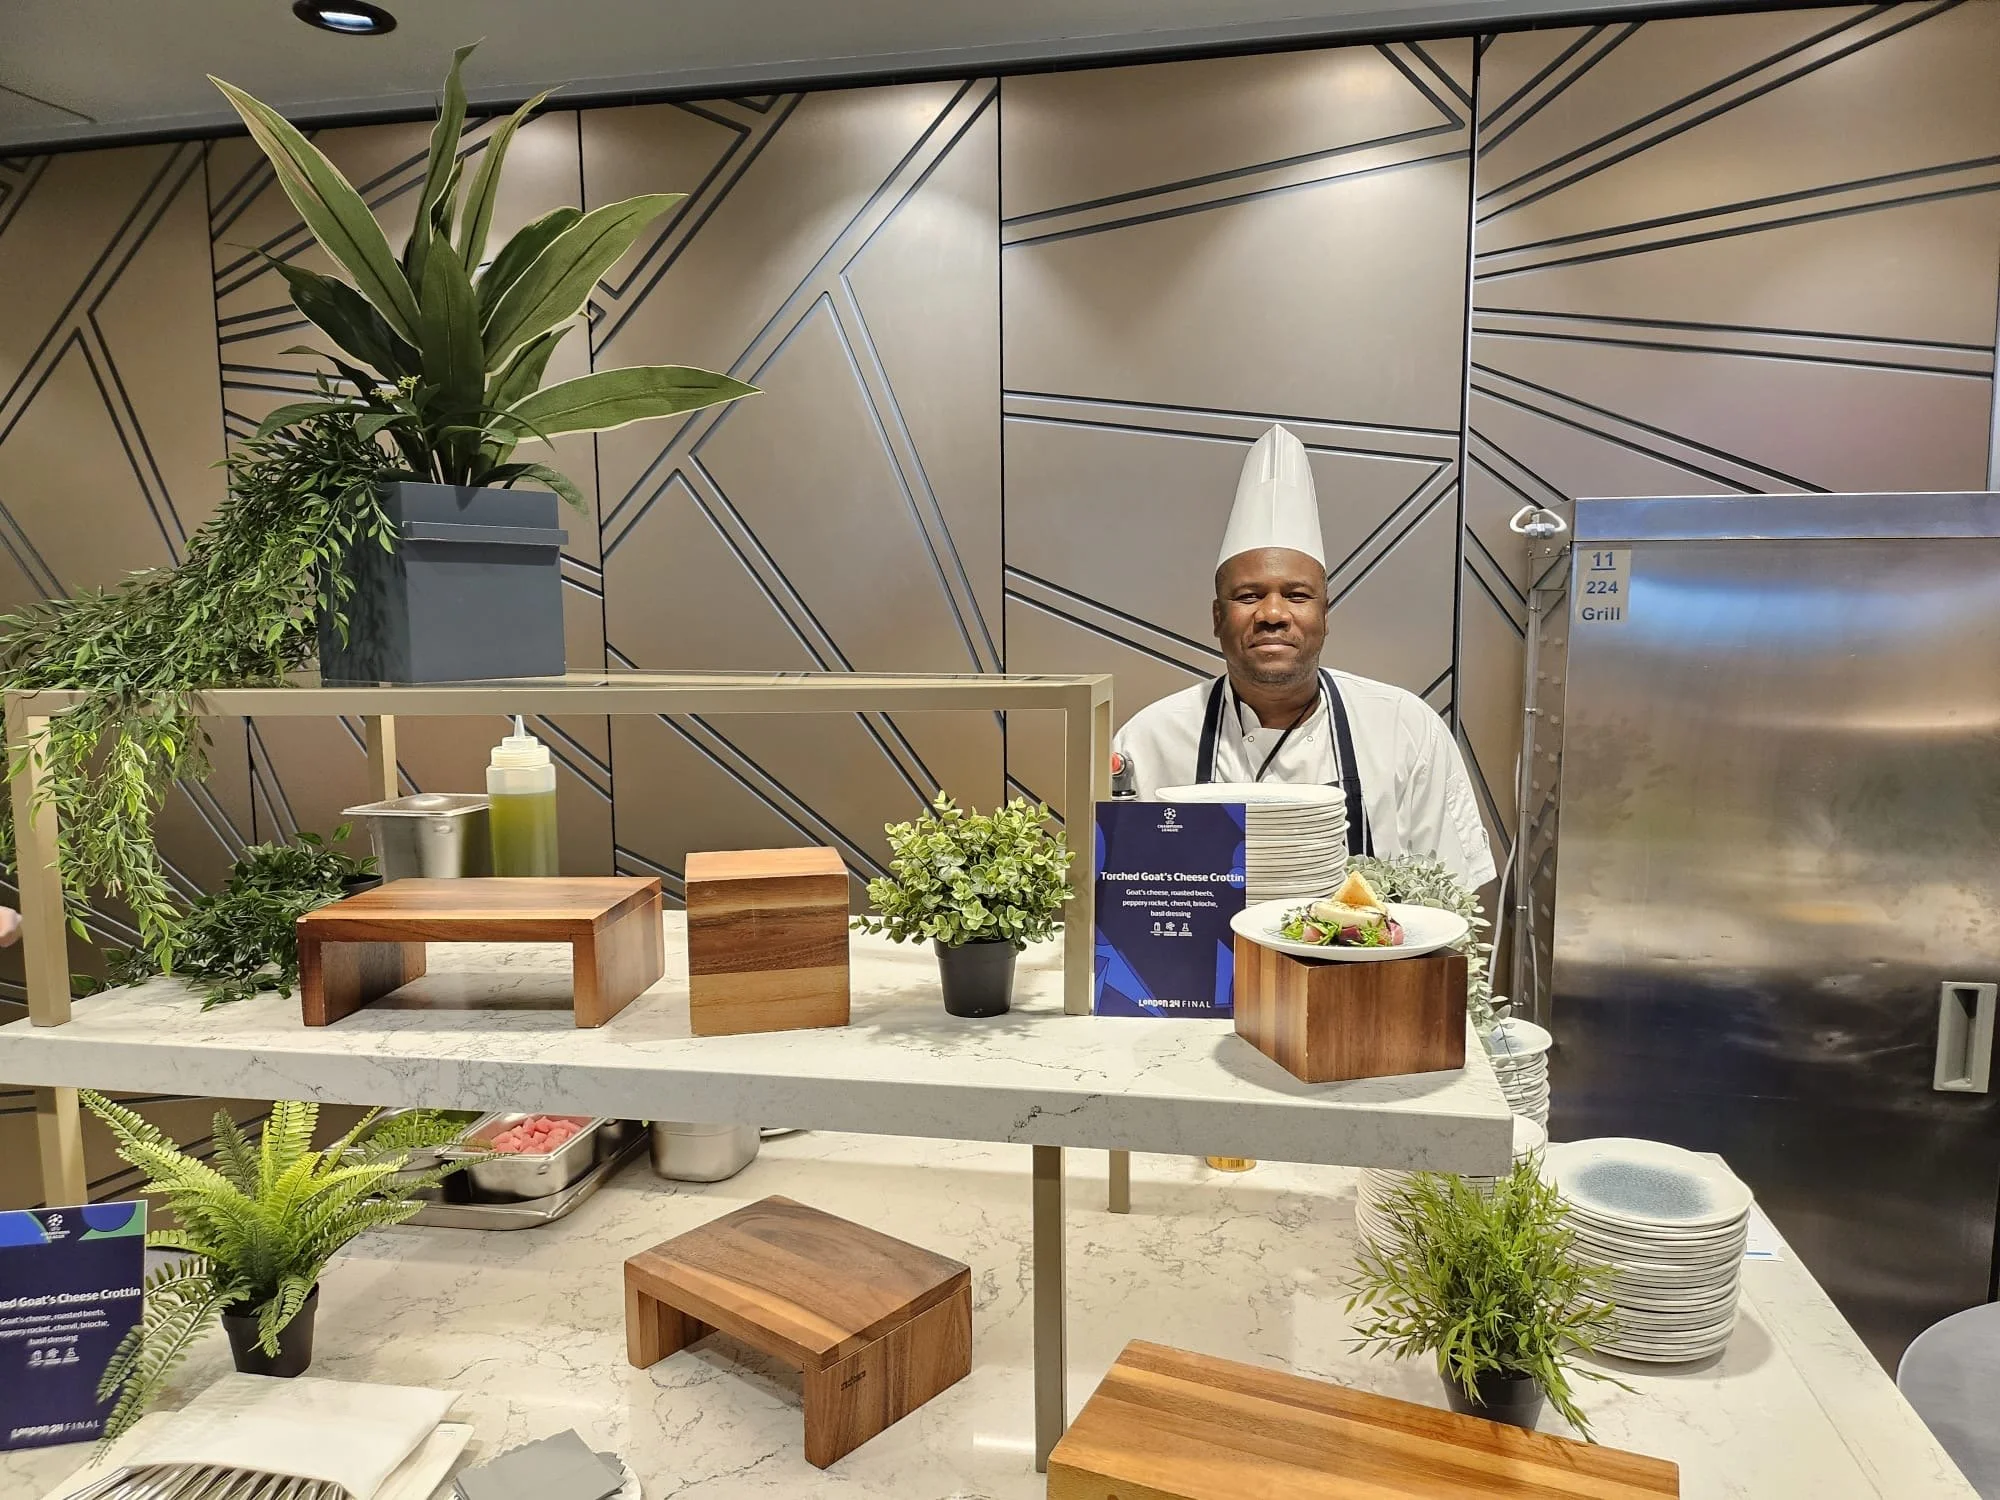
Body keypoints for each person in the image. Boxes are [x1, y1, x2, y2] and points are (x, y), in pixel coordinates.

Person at [1114, 425, 1496, 890]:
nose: (1272, 614)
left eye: (1296, 595)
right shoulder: (1147, 739)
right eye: (1248, 595)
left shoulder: (1406, 731)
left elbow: (1451, 902)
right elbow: (1121, 903)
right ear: (1217, 617)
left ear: (1324, 615)